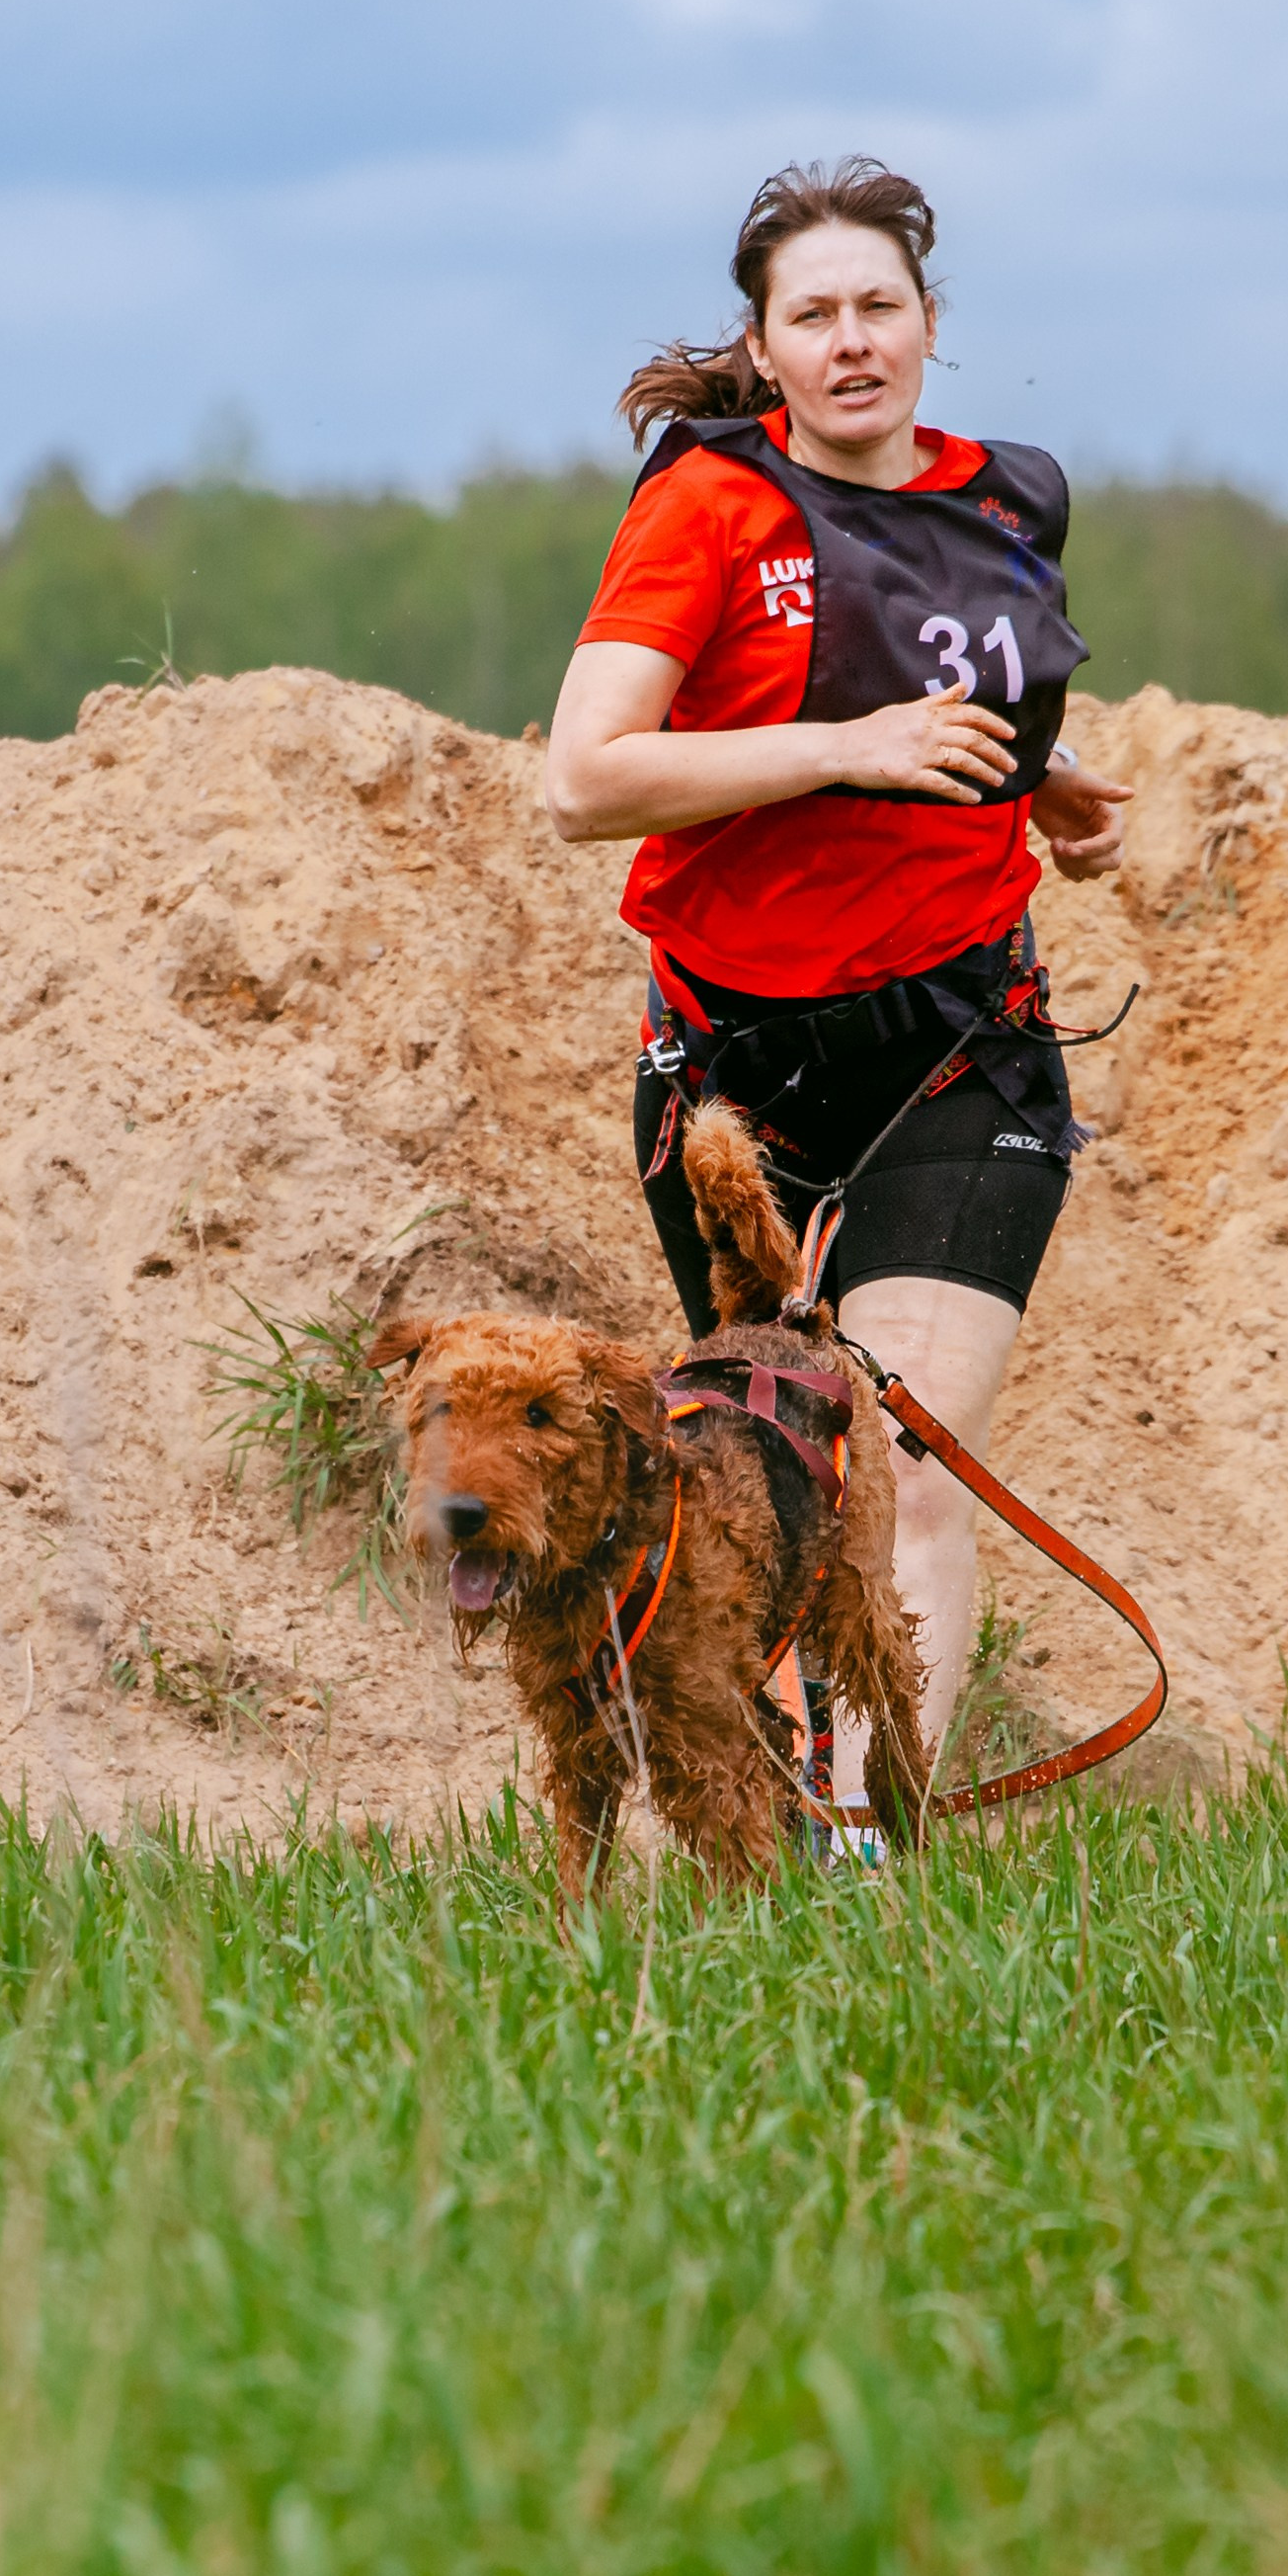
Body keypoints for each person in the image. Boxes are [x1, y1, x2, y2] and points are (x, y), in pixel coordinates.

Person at [544, 155, 1129, 1793]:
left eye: (883, 306)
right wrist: (847, 753)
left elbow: (961, 655)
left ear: (932, 325)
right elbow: (584, 781)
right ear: (767, 344)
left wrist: (1041, 766)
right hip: (736, 1069)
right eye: (817, 314)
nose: (854, 338)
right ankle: (787, 1799)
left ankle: (872, 1861)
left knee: (914, 1465)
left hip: (967, 1048)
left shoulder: (1011, 494)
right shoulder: (711, 508)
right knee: (777, 1469)